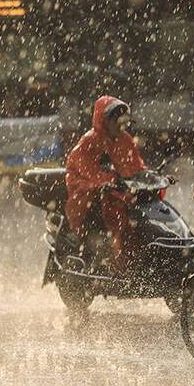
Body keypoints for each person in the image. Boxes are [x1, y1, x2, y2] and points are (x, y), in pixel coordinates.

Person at [65, 96, 146, 274]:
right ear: (104, 120)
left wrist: (150, 178)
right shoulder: (90, 141)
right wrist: (108, 180)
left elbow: (137, 167)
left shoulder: (125, 140)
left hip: (118, 189)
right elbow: (88, 171)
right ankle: (109, 260)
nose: (120, 125)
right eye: (115, 120)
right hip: (88, 191)